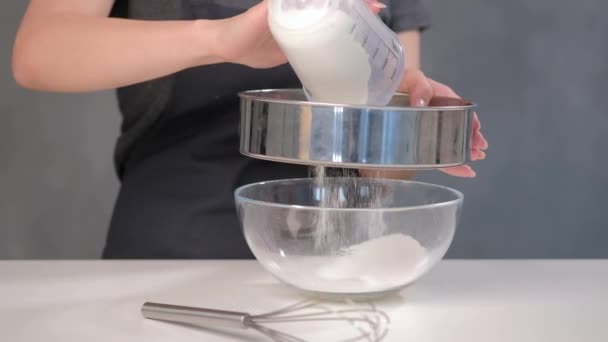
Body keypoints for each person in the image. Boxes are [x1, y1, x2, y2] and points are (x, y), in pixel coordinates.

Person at [12, 0, 488, 259]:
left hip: (334, 269)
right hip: (167, 264)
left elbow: (378, 176)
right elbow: (40, 51)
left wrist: (408, 126)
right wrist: (218, 40)